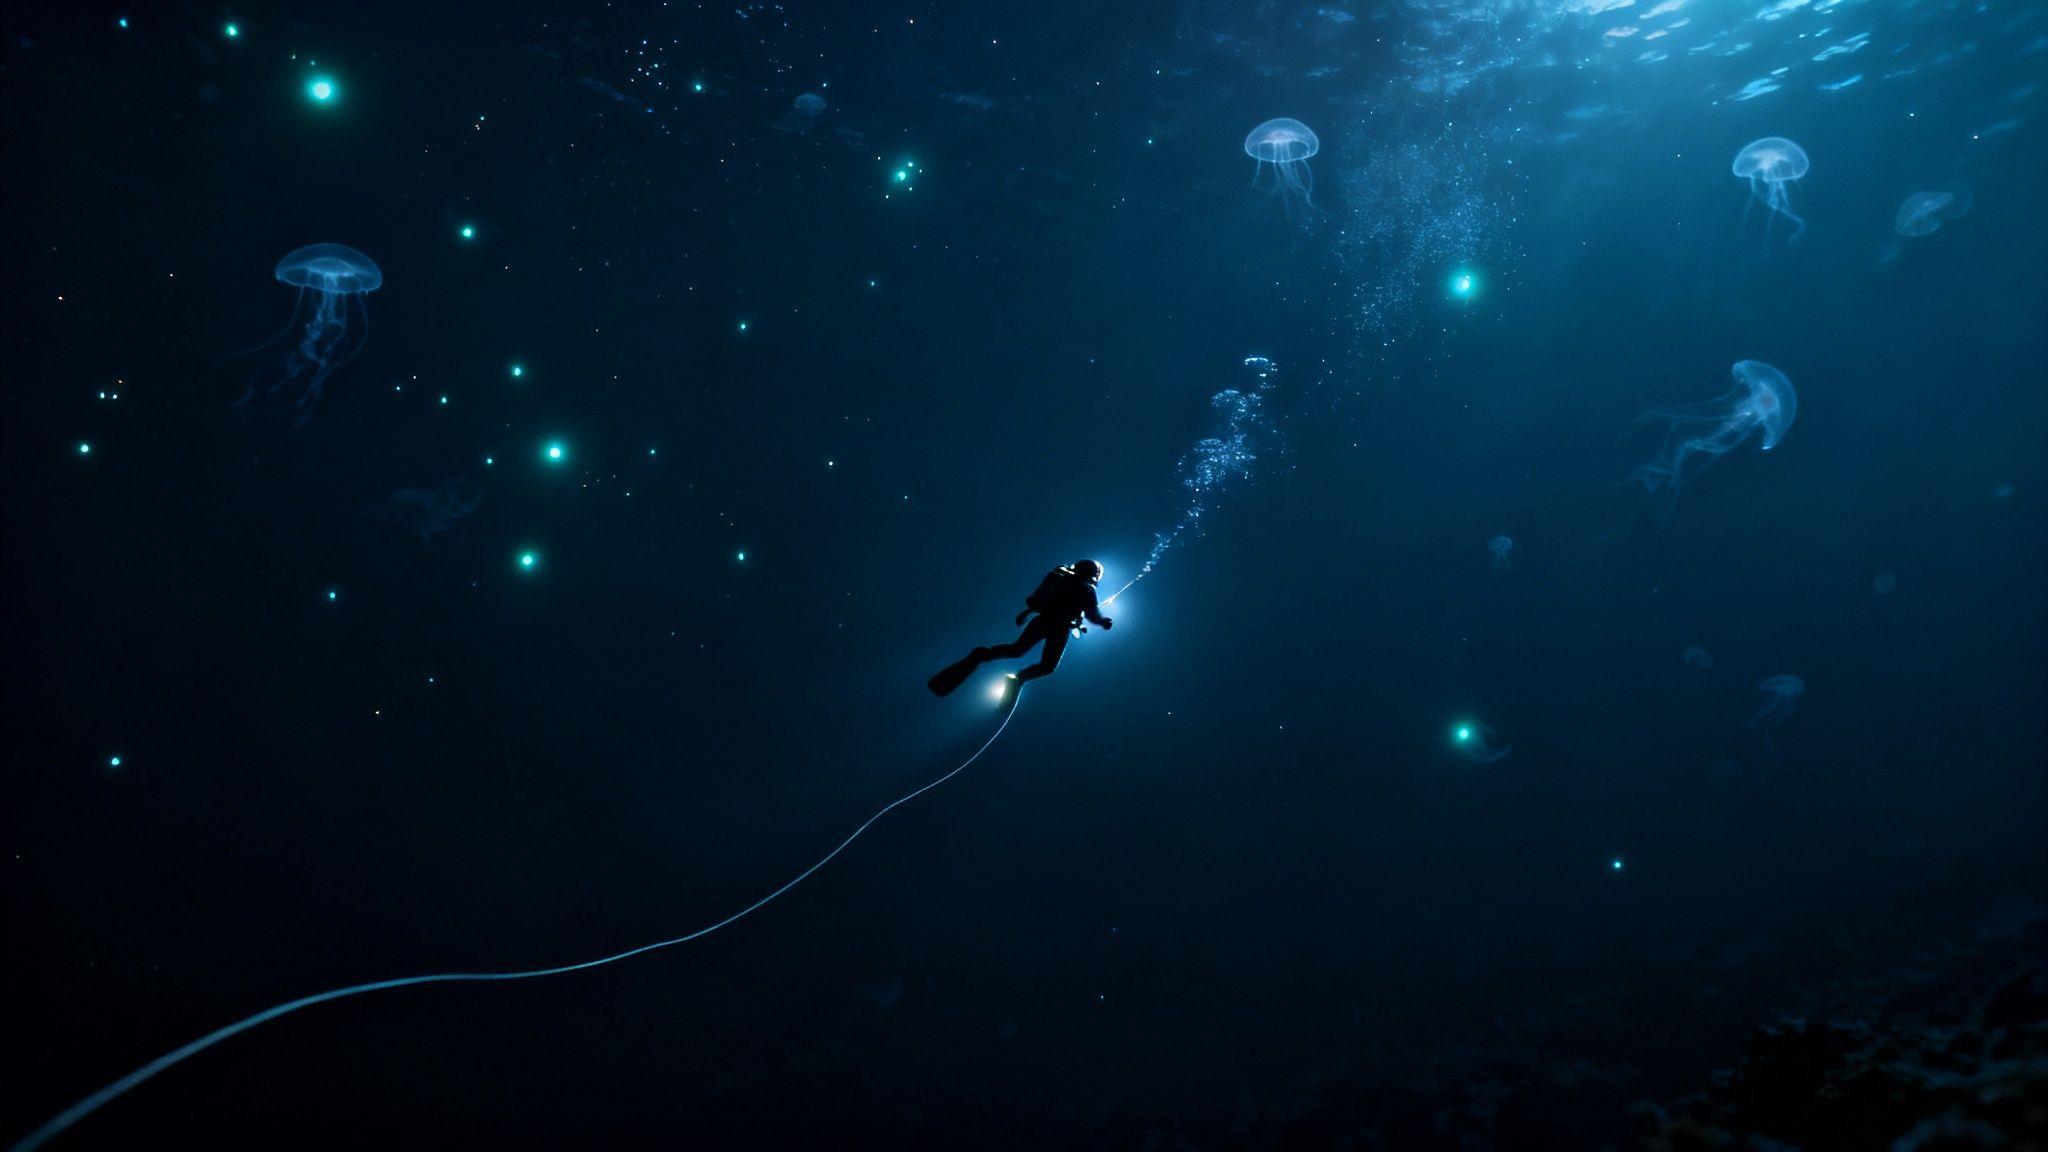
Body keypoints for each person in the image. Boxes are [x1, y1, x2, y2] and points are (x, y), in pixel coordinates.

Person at [928, 560, 1113, 696]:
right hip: (1059, 628)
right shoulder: (1087, 589)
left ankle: (983, 655)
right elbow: (1092, 614)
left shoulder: (1063, 579)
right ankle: (1019, 678)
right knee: (1047, 666)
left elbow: (1042, 601)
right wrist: (1103, 622)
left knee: (1016, 650)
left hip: (1042, 620)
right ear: (1094, 574)